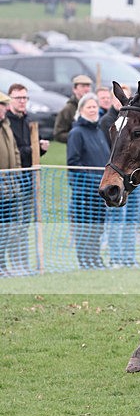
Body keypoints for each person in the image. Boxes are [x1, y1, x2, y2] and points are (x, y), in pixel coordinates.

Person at [6, 83, 49, 274]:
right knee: (10, 227)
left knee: (23, 227)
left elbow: (28, 153)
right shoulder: (6, 122)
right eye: (18, 98)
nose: (22, 101)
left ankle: (21, 263)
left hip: (27, 181)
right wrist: (34, 149)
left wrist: (39, 149)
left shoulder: (27, 120)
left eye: (25, 98)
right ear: (9, 100)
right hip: (11, 180)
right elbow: (17, 152)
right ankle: (8, 264)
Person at [99, 84, 140, 267]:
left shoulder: (134, 121)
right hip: (117, 176)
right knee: (118, 220)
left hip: (133, 176)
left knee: (132, 220)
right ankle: (116, 257)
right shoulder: (108, 122)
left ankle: (128, 258)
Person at [67, 93, 110, 269]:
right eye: (89, 107)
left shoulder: (99, 131)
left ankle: (95, 258)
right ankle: (85, 260)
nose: (93, 110)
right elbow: (73, 162)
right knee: (85, 228)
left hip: (101, 191)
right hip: (84, 191)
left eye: (95, 107)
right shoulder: (76, 133)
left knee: (97, 228)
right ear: (81, 110)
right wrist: (92, 181)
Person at [0, 91, 21, 276]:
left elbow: (14, 152)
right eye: (1, 105)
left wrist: (18, 177)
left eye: (5, 105)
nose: (4, 108)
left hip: (9, 186)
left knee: (8, 229)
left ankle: (3, 263)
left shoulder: (6, 125)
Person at [53, 74, 93, 143]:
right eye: (83, 86)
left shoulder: (95, 107)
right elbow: (58, 134)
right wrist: (77, 137)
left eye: (88, 86)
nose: (86, 89)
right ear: (74, 89)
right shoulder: (68, 109)